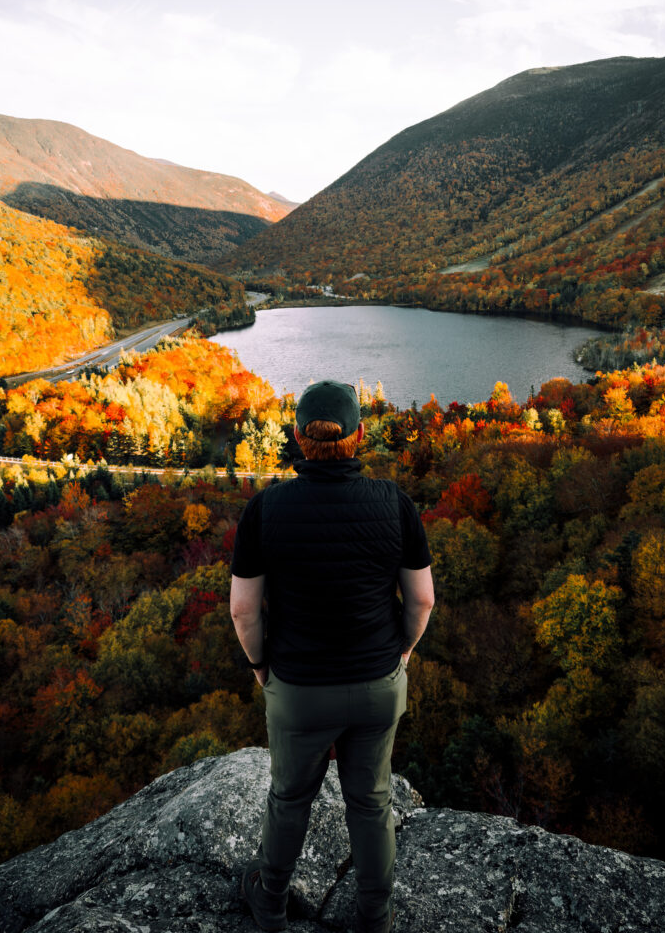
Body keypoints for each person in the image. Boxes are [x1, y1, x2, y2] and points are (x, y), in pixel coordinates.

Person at [230, 379, 434, 933]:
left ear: (298, 438)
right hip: (376, 683)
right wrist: (404, 652)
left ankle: (269, 903)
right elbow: (422, 598)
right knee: (371, 802)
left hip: (298, 689)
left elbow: (244, 613)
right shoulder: (394, 503)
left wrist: (260, 667)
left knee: (289, 799)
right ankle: (375, 915)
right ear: (359, 436)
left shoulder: (266, 509)